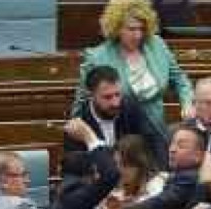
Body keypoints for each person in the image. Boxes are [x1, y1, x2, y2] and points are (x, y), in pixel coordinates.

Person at [73, 0, 195, 169]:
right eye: (131, 29)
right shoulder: (98, 57)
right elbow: (82, 99)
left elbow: (180, 79)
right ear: (117, 28)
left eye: (141, 29)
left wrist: (187, 102)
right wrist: (76, 128)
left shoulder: (157, 45)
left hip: (156, 133)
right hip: (124, 137)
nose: (138, 35)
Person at [65, 65, 162, 161]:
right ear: (91, 95)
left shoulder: (131, 109)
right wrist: (90, 139)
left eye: (117, 94)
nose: (115, 103)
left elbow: (155, 144)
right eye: (107, 97)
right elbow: (72, 165)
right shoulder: (79, 121)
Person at [125, 125, 205, 209]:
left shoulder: (189, 177)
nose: (172, 150)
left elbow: (161, 203)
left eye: (181, 146)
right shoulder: (179, 175)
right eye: (172, 144)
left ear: (198, 155)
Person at [111, 134, 166, 204]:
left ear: (140, 164)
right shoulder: (117, 190)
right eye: (116, 164)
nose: (119, 169)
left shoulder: (158, 185)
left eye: (124, 164)